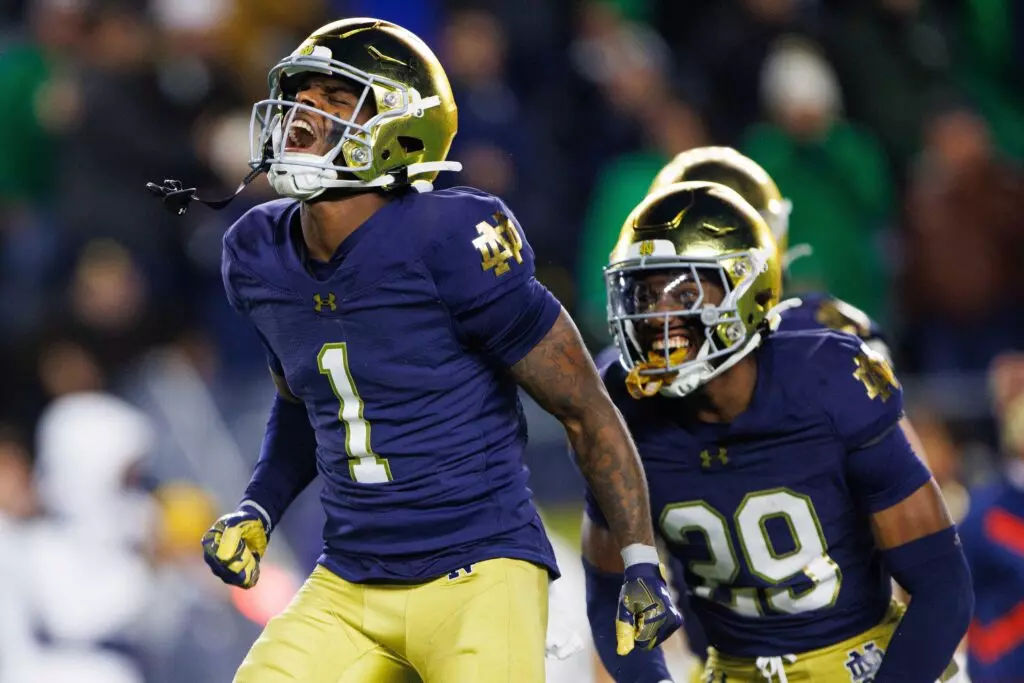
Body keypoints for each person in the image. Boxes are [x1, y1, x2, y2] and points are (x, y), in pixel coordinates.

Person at [200, 18, 680, 683]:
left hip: (478, 572)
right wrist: (260, 505)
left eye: (335, 100)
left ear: (400, 129)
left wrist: (639, 559)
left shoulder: (450, 239)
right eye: (300, 96)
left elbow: (583, 406)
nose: (304, 114)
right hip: (349, 578)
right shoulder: (258, 251)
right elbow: (308, 400)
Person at [581, 181, 973, 682]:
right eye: (644, 294)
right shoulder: (622, 408)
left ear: (744, 287)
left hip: (862, 662)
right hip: (728, 670)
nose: (658, 315)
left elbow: (941, 582)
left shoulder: (828, 382)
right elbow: (613, 591)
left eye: (684, 292)